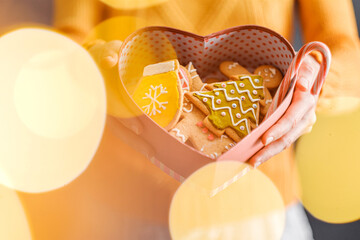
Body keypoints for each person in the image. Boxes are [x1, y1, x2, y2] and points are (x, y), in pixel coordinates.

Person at [19, 0, 360, 239]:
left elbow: (347, 50)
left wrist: (312, 82)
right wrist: (93, 70)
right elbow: (69, 40)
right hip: (125, 209)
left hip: (260, 213)